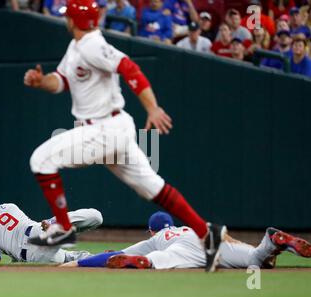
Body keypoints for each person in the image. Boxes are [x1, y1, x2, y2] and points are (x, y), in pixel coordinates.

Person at [23, 0, 227, 272]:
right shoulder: (77, 47)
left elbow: (129, 67)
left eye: (68, 15)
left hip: (104, 128)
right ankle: (207, 233)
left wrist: (152, 107)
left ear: (75, 20)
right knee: (153, 188)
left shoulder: (92, 44)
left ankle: (62, 227)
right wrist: (42, 81)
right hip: (110, 130)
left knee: (41, 160)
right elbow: (61, 80)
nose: (65, 19)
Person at [61, 211, 311, 270]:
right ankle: (271, 242)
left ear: (151, 230)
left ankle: (142, 264)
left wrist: (77, 264)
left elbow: (114, 255)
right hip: (208, 234)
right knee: (255, 261)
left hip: (183, 249)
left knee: (152, 260)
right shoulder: (182, 226)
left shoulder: (158, 236)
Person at [0, 191, 103, 263]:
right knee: (96, 216)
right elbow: (12, 235)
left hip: (33, 255)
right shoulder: (10, 206)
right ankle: (54, 224)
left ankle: (103, 259)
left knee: (67, 259)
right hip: (38, 231)